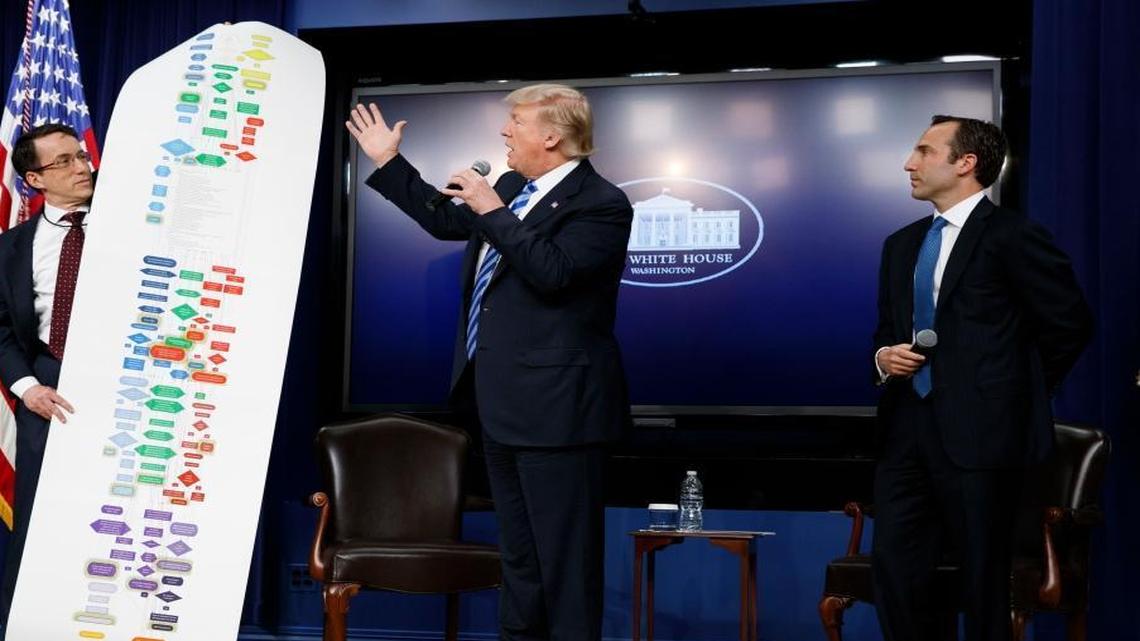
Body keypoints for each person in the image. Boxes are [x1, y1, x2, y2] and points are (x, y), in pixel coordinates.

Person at [345, 83, 632, 641]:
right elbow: (442, 220)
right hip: (499, 406)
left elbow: (553, 273)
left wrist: (495, 210)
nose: (505, 132)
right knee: (521, 563)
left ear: (551, 135)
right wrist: (387, 159)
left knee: (566, 570)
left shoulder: (600, 203)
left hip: (560, 415)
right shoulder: (508, 188)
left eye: (516, 122)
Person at [871, 115, 1094, 641]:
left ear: (966, 163)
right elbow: (886, 329)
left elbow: (1070, 325)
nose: (909, 163)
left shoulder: (1014, 236)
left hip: (986, 440)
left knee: (983, 586)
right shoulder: (900, 245)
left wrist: (1009, 391)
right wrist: (883, 357)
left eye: (924, 151)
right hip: (906, 436)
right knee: (897, 577)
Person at [0, 123, 89, 626]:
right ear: (35, 179)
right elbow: (0, 331)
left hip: (129, 384)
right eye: (65, 162)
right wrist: (28, 389)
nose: (81, 167)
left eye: (80, 156)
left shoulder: (134, 225)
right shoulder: (11, 248)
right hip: (45, 389)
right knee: (37, 522)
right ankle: (26, 625)